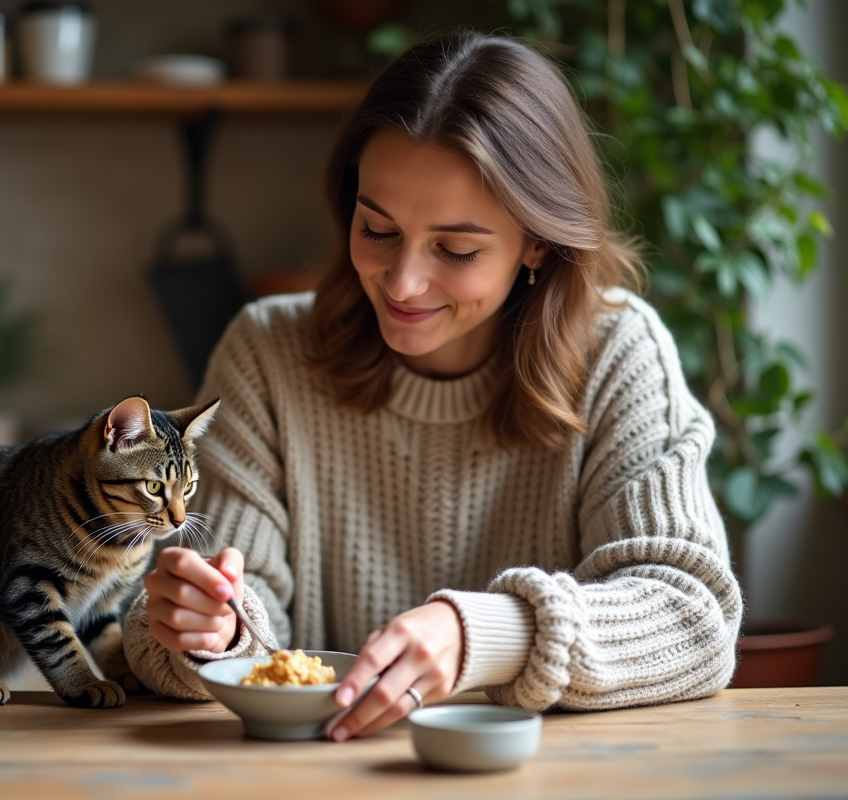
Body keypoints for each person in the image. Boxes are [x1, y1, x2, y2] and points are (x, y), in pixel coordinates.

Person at [122, 31, 743, 741]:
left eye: (456, 248)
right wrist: (211, 629)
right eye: (376, 229)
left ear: (537, 241)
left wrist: (485, 632)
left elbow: (693, 619)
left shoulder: (618, 353)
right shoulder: (268, 352)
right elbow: (199, 620)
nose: (404, 282)